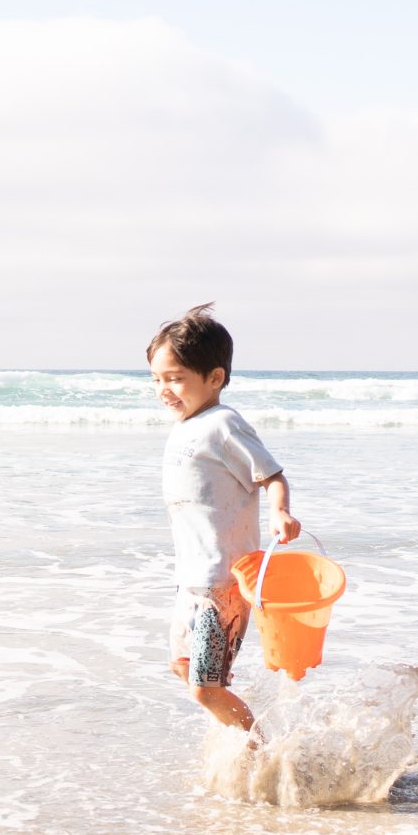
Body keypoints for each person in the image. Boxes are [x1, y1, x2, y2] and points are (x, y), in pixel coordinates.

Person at [148, 303, 300, 729]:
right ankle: (245, 741)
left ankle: (260, 754)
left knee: (205, 687)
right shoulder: (185, 427)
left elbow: (272, 475)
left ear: (214, 378)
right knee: (183, 668)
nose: (164, 389)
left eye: (176, 378)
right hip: (190, 582)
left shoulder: (223, 424)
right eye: (157, 379)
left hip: (223, 586)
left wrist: (280, 512)